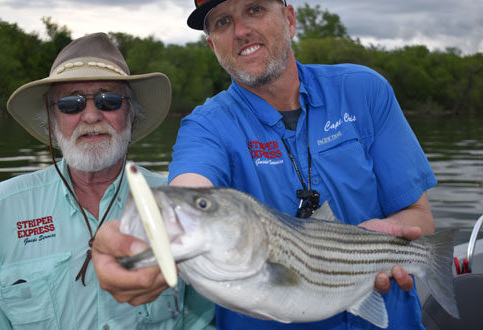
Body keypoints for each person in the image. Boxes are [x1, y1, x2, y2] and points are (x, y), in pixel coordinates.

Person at [92, 1, 437, 329]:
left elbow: (419, 217)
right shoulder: (206, 126)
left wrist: (381, 243)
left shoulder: (364, 89)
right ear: (213, 46)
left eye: (254, 9)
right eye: (223, 22)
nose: (240, 30)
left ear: (289, 19)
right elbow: (190, 189)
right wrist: (131, 240)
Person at [0, 32, 214, 330]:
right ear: (52, 120)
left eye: (109, 101)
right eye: (71, 103)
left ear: (131, 116)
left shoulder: (179, 204)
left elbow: (201, 320)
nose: (91, 115)